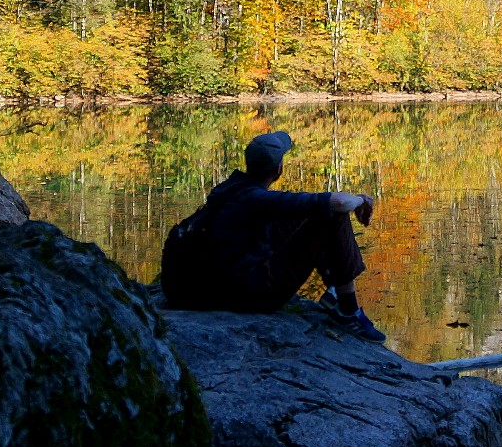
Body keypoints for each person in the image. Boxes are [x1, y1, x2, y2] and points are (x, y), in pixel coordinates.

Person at [160, 130, 384, 341]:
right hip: (252, 294)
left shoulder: (232, 188)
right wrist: (361, 200)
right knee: (333, 215)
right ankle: (348, 310)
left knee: (308, 212)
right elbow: (340, 203)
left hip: (220, 283)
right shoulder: (256, 199)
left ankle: (334, 291)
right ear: (279, 169)